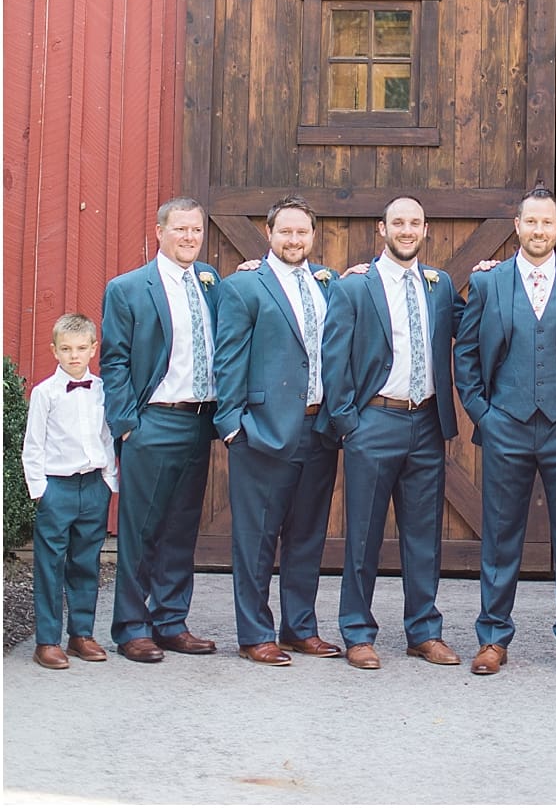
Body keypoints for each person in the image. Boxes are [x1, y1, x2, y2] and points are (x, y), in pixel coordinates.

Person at [454, 186, 556, 677]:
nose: (539, 231)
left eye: (548, 223)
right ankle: (491, 638)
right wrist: (482, 413)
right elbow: (465, 355)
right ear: (518, 226)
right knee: (500, 537)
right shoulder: (488, 282)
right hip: (505, 424)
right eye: (531, 222)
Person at [321, 195, 462, 669]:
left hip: (425, 420)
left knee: (424, 535)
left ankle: (423, 630)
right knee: (363, 535)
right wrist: (348, 423)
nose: (407, 230)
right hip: (373, 421)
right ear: (382, 229)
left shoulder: (439, 285)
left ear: (426, 230)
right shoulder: (356, 287)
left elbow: (476, 320)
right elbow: (334, 358)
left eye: (415, 223)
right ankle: (358, 632)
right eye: (397, 222)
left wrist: (488, 271)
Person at [213, 197, 342, 663]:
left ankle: (299, 627)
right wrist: (231, 425)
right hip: (262, 431)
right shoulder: (245, 287)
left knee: (307, 535)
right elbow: (226, 359)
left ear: (312, 235)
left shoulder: (328, 283)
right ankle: (254, 634)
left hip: (319, 429)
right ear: (269, 234)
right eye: (285, 232)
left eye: (302, 233)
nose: (293, 240)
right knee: (257, 537)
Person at [98, 197, 222, 662]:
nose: (189, 238)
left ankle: (171, 620)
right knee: (141, 531)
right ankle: (131, 627)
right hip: (152, 421)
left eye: (196, 230)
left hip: (198, 421)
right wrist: (127, 424)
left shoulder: (210, 283)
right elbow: (113, 360)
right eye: (180, 230)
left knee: (180, 528)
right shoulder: (129, 288)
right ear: (159, 232)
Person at [22, 314, 118, 670]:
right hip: (57, 487)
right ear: (55, 351)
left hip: (93, 485)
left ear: (93, 349)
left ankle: (81, 634)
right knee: (50, 564)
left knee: (85, 562)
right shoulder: (45, 393)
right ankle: (47, 640)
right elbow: (33, 445)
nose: (74, 356)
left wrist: (110, 481)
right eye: (66, 349)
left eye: (81, 348)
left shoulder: (103, 390)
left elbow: (106, 437)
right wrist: (40, 491)